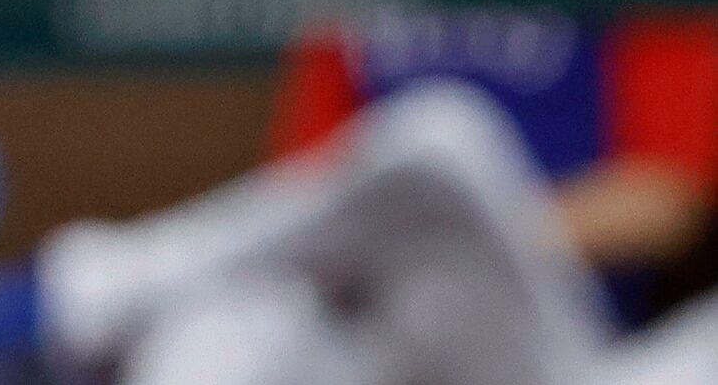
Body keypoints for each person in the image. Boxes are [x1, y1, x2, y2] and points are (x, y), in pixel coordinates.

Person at [39, 66, 718, 385]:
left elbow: (666, 202)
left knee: (443, 142)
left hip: (566, 346)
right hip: (375, 337)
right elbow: (303, 199)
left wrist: (473, 230)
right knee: (226, 319)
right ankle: (88, 299)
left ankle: (88, 288)